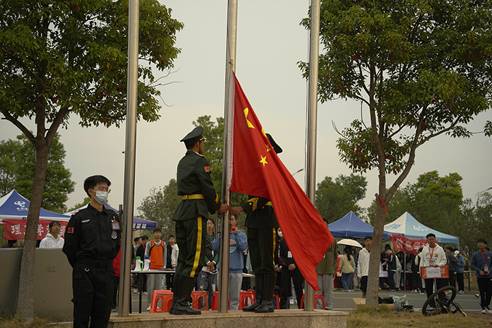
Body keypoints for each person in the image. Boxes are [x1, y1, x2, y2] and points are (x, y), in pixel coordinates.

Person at [171, 126, 228, 315]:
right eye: (202, 142)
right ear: (198, 143)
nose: (203, 145)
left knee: (183, 259)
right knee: (195, 259)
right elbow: (207, 187)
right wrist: (217, 205)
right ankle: (181, 302)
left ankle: (178, 301)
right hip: (195, 211)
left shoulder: (182, 161)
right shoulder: (199, 161)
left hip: (183, 211)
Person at [230, 133, 283, 313]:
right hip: (254, 220)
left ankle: (268, 299)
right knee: (258, 263)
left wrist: (243, 208)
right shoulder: (258, 168)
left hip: (267, 218)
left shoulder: (273, 170)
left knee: (267, 262)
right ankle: (259, 298)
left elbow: (265, 195)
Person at [62, 175, 120, 328]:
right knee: (82, 314)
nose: (105, 192)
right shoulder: (79, 218)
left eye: (107, 189)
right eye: (101, 188)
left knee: (102, 315)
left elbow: (117, 243)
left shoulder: (113, 217)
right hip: (85, 272)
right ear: (90, 191)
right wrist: (82, 265)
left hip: (106, 271)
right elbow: (70, 248)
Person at [212, 215, 248, 310]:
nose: (229, 221)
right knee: (222, 297)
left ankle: (233, 317)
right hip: (222, 270)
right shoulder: (221, 234)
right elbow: (214, 247)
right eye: (227, 220)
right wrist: (221, 235)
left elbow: (243, 247)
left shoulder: (241, 234)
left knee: (234, 298)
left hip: (236, 271)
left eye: (231, 219)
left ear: (236, 221)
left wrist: (236, 234)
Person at [277, 228, 304, 309]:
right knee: (284, 289)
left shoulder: (300, 241)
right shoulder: (282, 241)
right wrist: (287, 264)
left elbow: (302, 254)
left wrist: (295, 264)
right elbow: (280, 256)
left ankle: (301, 306)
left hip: (297, 268)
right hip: (286, 268)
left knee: (298, 288)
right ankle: (284, 307)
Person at [419, 233, 447, 299]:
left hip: (438, 270)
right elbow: (422, 261)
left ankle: (442, 302)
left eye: (432, 239)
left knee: (440, 288)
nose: (431, 241)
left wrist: (439, 265)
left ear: (435, 239)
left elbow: (444, 260)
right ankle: (431, 304)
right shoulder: (424, 249)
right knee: (428, 288)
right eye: (429, 239)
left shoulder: (440, 249)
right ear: (427, 240)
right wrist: (421, 271)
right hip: (427, 271)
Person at [198, 219, 218, 307]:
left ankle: (211, 307)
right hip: (203, 267)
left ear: (213, 225)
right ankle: (201, 307)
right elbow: (201, 251)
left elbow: (218, 252)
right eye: (207, 223)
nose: (209, 225)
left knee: (212, 289)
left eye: (211, 223)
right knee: (202, 289)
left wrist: (214, 262)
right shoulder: (202, 237)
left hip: (214, 268)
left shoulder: (217, 238)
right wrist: (207, 262)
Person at [145, 228, 167, 310]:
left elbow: (165, 256)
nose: (157, 234)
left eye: (159, 233)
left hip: (160, 269)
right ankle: (149, 304)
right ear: (153, 234)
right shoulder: (149, 244)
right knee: (150, 287)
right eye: (156, 233)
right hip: (151, 268)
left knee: (158, 287)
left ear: (161, 234)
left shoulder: (164, 244)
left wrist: (164, 266)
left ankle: (156, 304)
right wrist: (147, 266)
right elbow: (146, 255)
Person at [470, 239, 492, 314]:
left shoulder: (490, 254)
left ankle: (487, 305)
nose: (480, 245)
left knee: (489, 292)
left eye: (481, 244)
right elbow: (472, 264)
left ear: (485, 245)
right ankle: (483, 307)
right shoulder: (475, 254)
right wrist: (479, 271)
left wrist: (490, 270)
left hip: (489, 276)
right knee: (482, 293)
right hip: (480, 276)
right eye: (478, 244)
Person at [316, 239, 337, 310]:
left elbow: (335, 255)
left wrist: (334, 268)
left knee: (328, 290)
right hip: (318, 268)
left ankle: (329, 306)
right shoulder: (317, 239)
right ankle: (319, 306)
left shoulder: (332, 240)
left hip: (328, 269)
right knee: (319, 290)